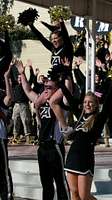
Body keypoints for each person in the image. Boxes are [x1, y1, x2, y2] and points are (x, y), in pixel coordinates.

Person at [16, 60, 70, 200]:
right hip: (42, 147)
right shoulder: (41, 100)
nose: (46, 89)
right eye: (45, 86)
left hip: (55, 146)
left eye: (50, 87)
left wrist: (67, 73)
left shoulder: (60, 102)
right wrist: (22, 74)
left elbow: (68, 90)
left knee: (61, 182)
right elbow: (28, 90)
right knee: (46, 184)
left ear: (57, 89)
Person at [60, 77, 112, 200]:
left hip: (85, 159)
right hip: (72, 157)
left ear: (96, 105)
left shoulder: (98, 119)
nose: (87, 104)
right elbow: (70, 99)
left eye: (90, 102)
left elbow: (107, 105)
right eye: (85, 102)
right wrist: (61, 83)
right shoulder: (80, 116)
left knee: (84, 196)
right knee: (74, 193)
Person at [29, 18, 74, 131]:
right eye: (52, 39)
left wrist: (62, 23)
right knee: (37, 103)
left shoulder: (67, 48)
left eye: (56, 38)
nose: (53, 41)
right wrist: (31, 26)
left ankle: (65, 127)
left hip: (64, 82)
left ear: (61, 39)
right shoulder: (53, 49)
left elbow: (67, 37)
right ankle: (40, 125)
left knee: (54, 102)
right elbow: (41, 38)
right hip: (54, 82)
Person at [0, 66, 14, 200]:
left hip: (0, 137)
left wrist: (6, 77)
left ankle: (8, 196)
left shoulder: (1, 96)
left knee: (3, 169)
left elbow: (9, 98)